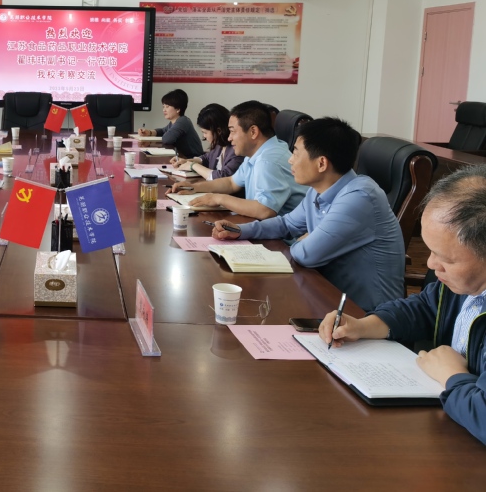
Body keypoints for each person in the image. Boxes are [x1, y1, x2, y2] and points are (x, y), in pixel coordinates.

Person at [320, 165, 486, 445]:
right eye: (430, 250)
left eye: (445, 258)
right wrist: (364, 325)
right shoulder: (463, 285)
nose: (430, 264)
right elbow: (425, 307)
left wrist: (453, 376)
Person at [211, 118, 404, 311]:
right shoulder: (317, 190)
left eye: (296, 152)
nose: (290, 159)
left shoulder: (359, 197)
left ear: (321, 163)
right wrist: (240, 231)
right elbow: (286, 224)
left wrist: (304, 241)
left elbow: (307, 255)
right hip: (324, 296)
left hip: (366, 315)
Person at [173, 100, 306, 219]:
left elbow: (264, 210)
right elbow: (231, 183)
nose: (229, 138)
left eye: (232, 131)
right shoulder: (256, 153)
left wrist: (219, 199)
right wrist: (194, 188)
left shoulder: (268, 161)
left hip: (284, 236)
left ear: (253, 132)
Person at [172, 103, 244, 180]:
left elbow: (223, 177)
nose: (204, 136)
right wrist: (187, 161)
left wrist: (193, 166)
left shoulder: (236, 149)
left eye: (205, 132)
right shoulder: (219, 144)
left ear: (218, 131)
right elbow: (207, 158)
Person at [137, 88, 202, 157]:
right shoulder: (175, 122)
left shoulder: (183, 121)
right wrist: (149, 132)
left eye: (167, 107)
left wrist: (150, 143)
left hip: (193, 159)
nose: (164, 110)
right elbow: (163, 131)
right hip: (182, 158)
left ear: (178, 109)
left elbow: (167, 139)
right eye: (163, 107)